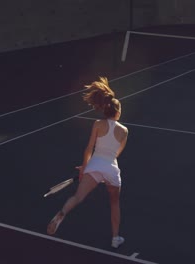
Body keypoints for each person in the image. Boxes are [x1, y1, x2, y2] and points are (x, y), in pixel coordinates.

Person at [47, 77, 129, 248]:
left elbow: (88, 149)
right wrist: (104, 173)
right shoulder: (124, 131)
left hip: (94, 165)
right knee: (115, 203)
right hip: (111, 168)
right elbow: (116, 155)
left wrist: (85, 167)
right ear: (118, 112)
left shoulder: (97, 124)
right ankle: (115, 238)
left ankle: (61, 213)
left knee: (77, 197)